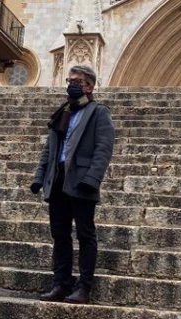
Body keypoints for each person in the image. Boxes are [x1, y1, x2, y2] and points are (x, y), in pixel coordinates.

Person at [30, 65, 115, 304]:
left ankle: (84, 288)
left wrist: (92, 179)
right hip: (58, 181)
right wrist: (39, 176)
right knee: (60, 235)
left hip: (82, 182)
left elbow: (103, 149)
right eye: (70, 80)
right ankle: (61, 283)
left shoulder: (99, 113)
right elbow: (50, 148)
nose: (71, 84)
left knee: (85, 235)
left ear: (89, 86)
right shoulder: (63, 112)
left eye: (77, 81)